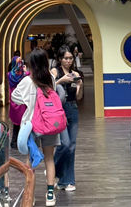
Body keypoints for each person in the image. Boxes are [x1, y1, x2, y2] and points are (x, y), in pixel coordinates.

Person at [12, 47, 61, 207]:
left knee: (30, 159)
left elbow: (14, 97)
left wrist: (28, 101)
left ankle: (30, 195)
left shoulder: (26, 81)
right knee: (49, 158)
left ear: (31, 64)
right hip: (50, 123)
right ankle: (50, 195)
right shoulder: (51, 79)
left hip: (31, 125)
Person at [51, 46, 83, 193]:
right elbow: (48, 89)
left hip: (72, 108)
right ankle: (53, 169)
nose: (68, 61)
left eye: (70, 58)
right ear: (60, 59)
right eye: (65, 58)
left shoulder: (75, 73)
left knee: (72, 146)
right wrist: (60, 81)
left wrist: (80, 86)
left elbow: (78, 97)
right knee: (65, 144)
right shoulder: (55, 72)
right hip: (59, 110)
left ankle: (67, 181)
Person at [7, 53, 28, 149]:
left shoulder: (9, 75)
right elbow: (29, 75)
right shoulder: (24, 75)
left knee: (16, 124)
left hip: (13, 101)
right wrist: (25, 70)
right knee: (23, 123)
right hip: (22, 101)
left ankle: (14, 142)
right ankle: (21, 142)